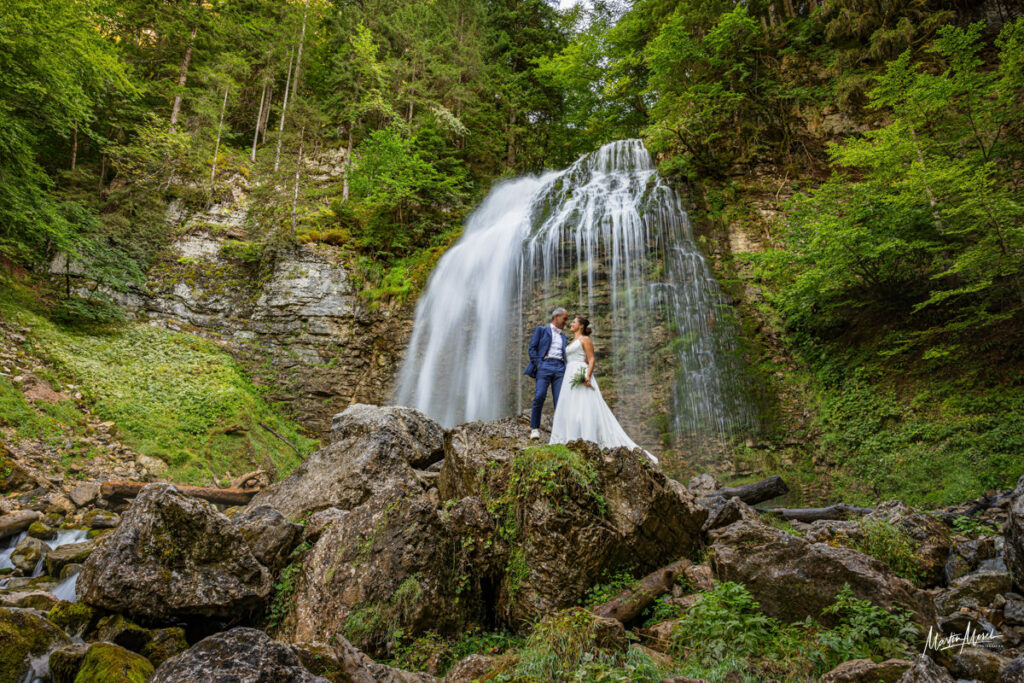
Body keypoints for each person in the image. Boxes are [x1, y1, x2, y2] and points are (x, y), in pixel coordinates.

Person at [549, 315, 658, 465]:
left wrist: (587, 376)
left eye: (573, 322)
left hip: (580, 373)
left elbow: (591, 359)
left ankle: (586, 439)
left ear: (581, 326)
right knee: (571, 408)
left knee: (584, 408)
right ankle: (569, 438)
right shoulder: (570, 341)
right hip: (569, 375)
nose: (570, 324)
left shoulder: (585, 340)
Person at [523, 307, 569, 440]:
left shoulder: (564, 336)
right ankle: (534, 428)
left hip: (560, 367)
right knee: (539, 396)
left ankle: (560, 432)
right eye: (564, 318)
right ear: (556, 317)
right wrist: (539, 364)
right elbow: (532, 347)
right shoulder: (541, 330)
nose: (566, 322)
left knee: (559, 400)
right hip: (545, 365)